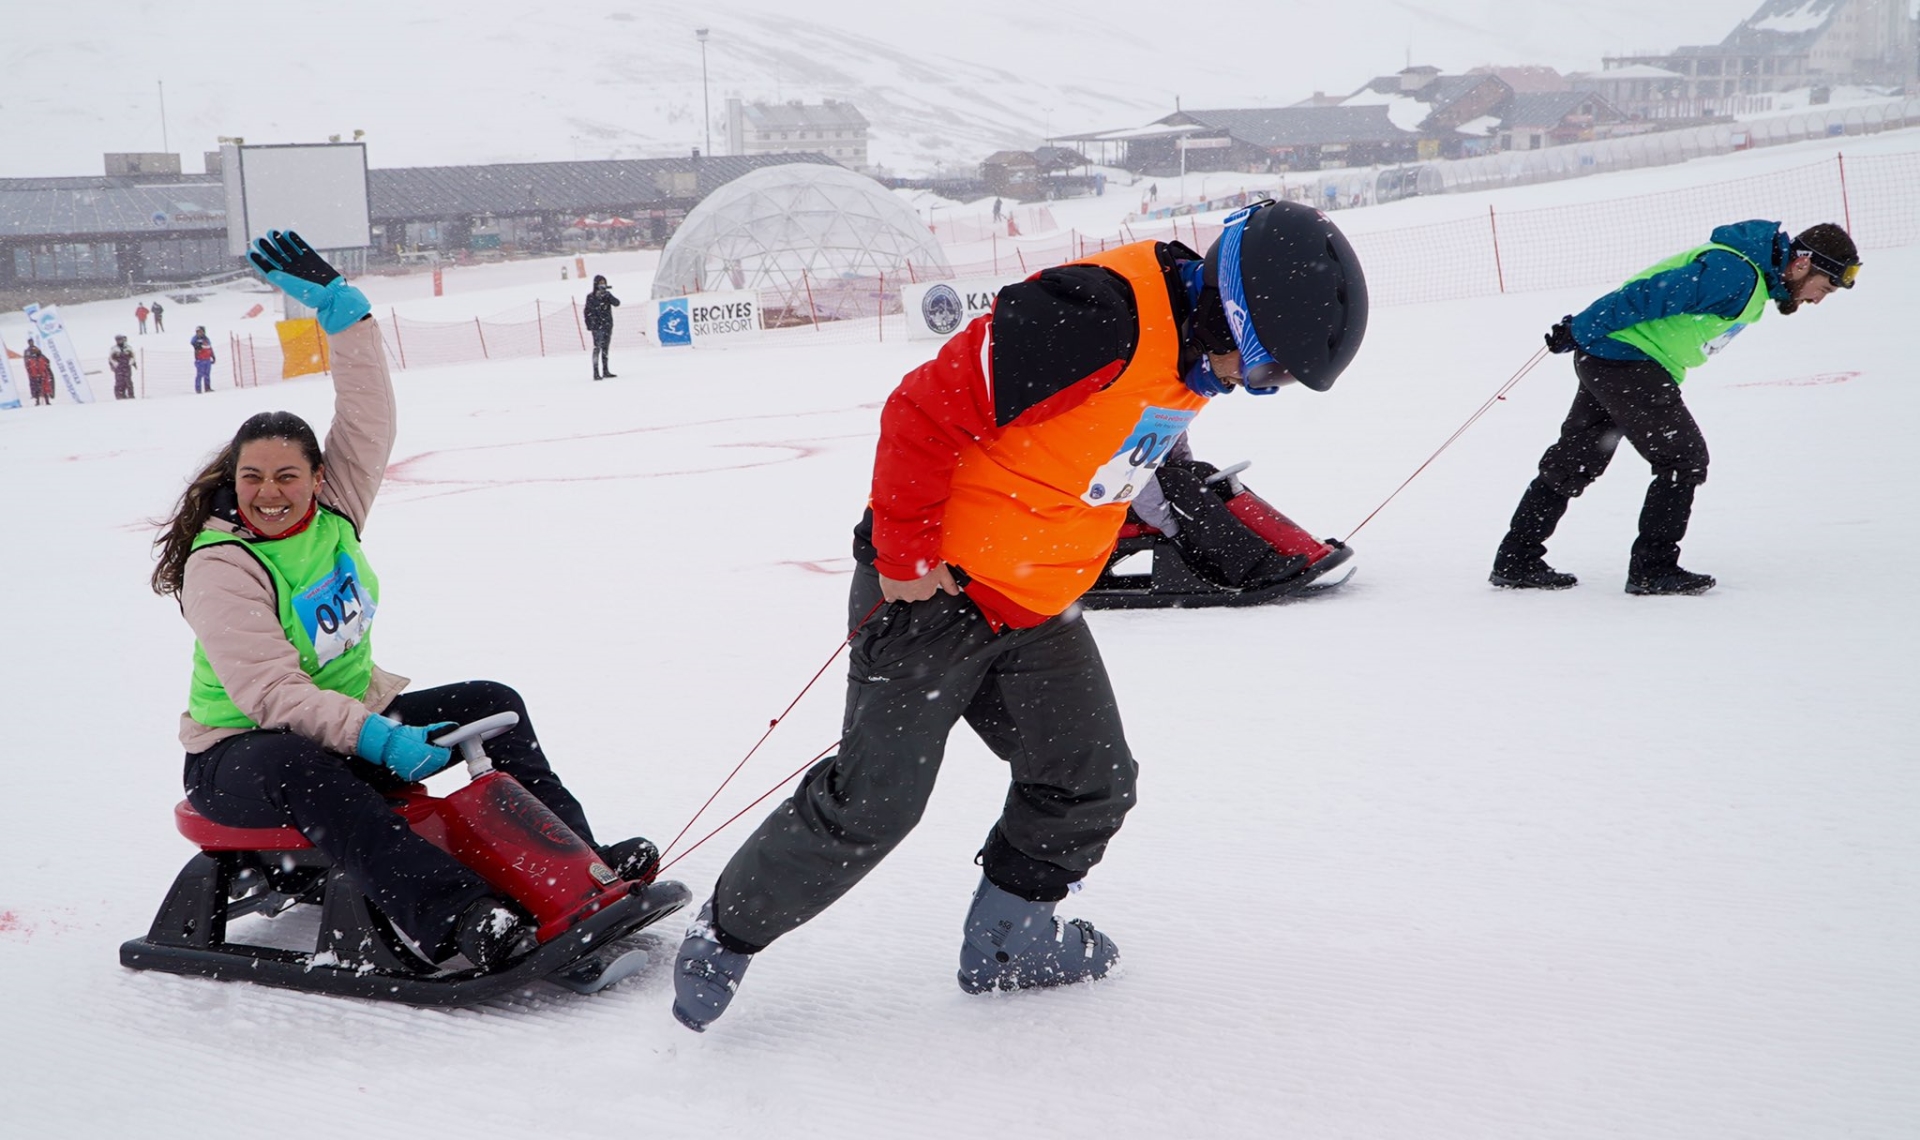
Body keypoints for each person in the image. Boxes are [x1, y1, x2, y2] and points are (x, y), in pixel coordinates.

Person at [671, 199, 1370, 1031]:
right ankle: (725, 935)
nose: (1256, 390)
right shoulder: (1094, 316)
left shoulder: (1189, 352)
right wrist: (905, 559)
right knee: (874, 804)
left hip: (1035, 606)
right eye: (1264, 373)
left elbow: (1100, 449)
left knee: (1090, 779)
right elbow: (920, 411)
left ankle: (1011, 941)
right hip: (932, 598)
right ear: (1239, 319)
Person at [151, 230, 659, 973]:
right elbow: (270, 695)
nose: (268, 492)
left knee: (494, 700)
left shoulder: (335, 513)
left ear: (318, 478)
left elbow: (368, 416)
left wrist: (347, 318)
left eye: (287, 476)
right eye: (252, 476)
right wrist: (382, 741)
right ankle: (456, 917)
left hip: (343, 722)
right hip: (241, 758)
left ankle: (579, 866)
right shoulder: (223, 564)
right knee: (300, 762)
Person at [1491, 220, 1859, 596]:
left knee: (1578, 458)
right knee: (1684, 458)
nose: (1818, 299)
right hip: (1626, 361)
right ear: (1801, 265)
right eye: (1824, 287)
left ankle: (1516, 558)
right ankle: (1653, 568)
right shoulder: (1735, 275)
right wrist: (1583, 326)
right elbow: (1649, 294)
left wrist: (1585, 330)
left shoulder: (1749, 276)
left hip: (1612, 358)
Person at [583, 274, 619, 380]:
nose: (602, 285)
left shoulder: (607, 295)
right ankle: (596, 372)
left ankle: (605, 370)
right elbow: (587, 311)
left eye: (604, 283)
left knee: (605, 348)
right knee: (597, 348)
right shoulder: (590, 297)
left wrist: (608, 295)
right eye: (600, 283)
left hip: (607, 325)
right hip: (596, 326)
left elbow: (617, 303)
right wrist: (589, 324)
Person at [23, 338, 54, 405]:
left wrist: (45, 369)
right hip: (35, 375)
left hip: (41, 374)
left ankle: (47, 401)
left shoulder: (40, 357)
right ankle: (37, 401)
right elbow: (27, 364)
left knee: (44, 388)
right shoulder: (28, 353)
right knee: (37, 388)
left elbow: (47, 362)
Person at [109, 334, 137, 399]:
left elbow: (133, 356)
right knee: (119, 382)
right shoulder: (114, 349)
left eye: (120, 339)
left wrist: (131, 363)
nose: (119, 341)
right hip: (118, 368)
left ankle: (131, 395)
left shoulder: (128, 347)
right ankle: (120, 395)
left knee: (128, 381)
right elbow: (110, 358)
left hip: (127, 367)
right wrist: (115, 365)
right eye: (117, 340)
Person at [190, 326, 216, 393]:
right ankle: (198, 389)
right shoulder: (195, 339)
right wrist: (197, 345)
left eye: (200, 331)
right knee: (200, 374)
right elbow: (192, 342)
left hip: (207, 359)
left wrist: (213, 356)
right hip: (200, 360)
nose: (199, 333)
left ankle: (207, 387)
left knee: (207, 374)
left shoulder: (207, 339)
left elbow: (210, 348)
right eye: (198, 332)